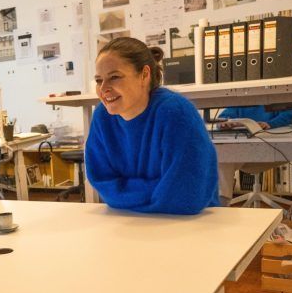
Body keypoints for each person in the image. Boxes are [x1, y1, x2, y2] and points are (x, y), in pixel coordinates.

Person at [85, 37, 219, 215]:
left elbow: (185, 196)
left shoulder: (176, 113)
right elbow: (102, 182)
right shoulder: (102, 116)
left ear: (144, 75)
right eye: (98, 80)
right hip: (129, 219)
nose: (104, 88)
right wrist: (159, 190)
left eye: (114, 77)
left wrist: (125, 193)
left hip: (189, 222)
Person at [215, 105, 292, 203]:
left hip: (270, 150)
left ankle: (220, 204)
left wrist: (269, 124)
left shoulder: (275, 96)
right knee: (222, 159)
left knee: (223, 159)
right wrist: (223, 123)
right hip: (243, 152)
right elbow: (225, 115)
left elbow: (288, 115)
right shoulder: (240, 99)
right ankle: (221, 205)